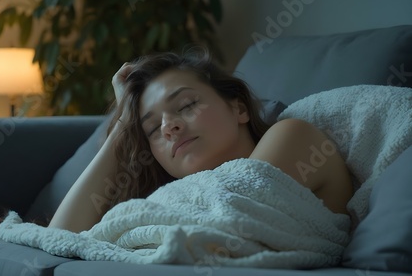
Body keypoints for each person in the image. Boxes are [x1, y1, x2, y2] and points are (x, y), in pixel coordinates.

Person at [48, 49, 354, 233]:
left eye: (185, 106)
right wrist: (123, 125)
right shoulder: (179, 198)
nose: (169, 127)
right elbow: (60, 236)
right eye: (153, 129)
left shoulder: (292, 136)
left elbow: (233, 223)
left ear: (239, 108)